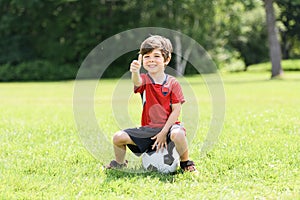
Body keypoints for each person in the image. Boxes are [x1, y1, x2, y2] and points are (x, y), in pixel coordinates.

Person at [106, 35, 196, 172]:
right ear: (142, 60)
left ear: (166, 59)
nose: (151, 60)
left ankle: (186, 163)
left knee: (178, 134)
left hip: (169, 128)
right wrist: (135, 71)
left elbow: (176, 111)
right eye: (147, 56)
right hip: (149, 130)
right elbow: (137, 82)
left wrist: (164, 131)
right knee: (118, 137)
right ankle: (119, 163)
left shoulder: (173, 83)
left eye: (156, 56)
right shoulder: (144, 80)